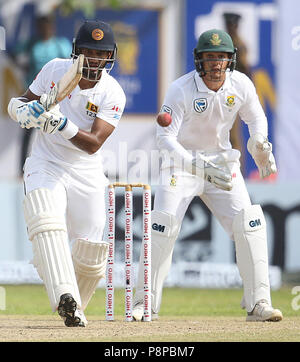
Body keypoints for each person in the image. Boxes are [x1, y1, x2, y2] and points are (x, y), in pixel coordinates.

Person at [132, 29, 282, 322]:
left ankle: (259, 303)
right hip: (181, 165)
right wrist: (196, 167)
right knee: (162, 227)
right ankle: (143, 304)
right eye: (210, 57)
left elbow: (256, 118)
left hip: (222, 163)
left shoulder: (241, 84)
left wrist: (260, 145)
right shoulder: (180, 89)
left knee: (250, 224)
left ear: (230, 60)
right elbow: (165, 139)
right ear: (199, 61)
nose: (216, 64)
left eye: (222, 57)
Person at [7, 20, 126, 327]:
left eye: (100, 53)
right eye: (88, 51)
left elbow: (93, 144)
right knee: (47, 221)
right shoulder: (54, 69)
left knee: (91, 253)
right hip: (46, 163)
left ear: (109, 56)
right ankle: (63, 295)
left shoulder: (112, 92)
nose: (94, 59)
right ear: (76, 51)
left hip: (85, 171)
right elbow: (24, 101)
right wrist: (19, 110)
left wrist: (61, 124)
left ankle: (73, 307)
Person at [10, 14, 72, 176]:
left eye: (47, 26)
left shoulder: (60, 45)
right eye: (41, 27)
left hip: (55, 95)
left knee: (58, 126)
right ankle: (21, 169)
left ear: (52, 28)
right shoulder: (32, 44)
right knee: (28, 127)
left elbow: (70, 66)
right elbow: (14, 54)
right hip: (35, 90)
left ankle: (62, 165)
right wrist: (23, 67)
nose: (44, 30)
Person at [223, 12, 251, 174]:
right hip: (219, 92)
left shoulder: (239, 45)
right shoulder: (225, 43)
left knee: (232, 134)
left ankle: (237, 172)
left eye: (232, 24)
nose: (230, 27)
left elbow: (246, 70)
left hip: (232, 94)